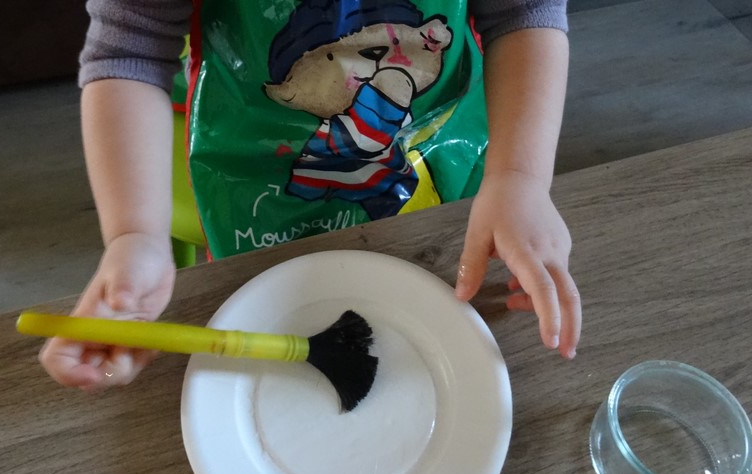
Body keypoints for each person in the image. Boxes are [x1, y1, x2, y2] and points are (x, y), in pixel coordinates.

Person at [41, 0, 582, 389]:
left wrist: (521, 178)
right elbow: (129, 47)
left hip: (435, 153)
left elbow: (522, 13)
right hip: (256, 174)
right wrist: (135, 234)